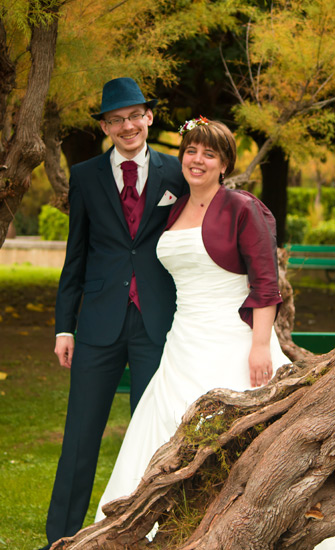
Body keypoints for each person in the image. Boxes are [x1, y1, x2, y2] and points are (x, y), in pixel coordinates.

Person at [95, 117, 290, 522]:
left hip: (234, 340)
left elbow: (266, 283)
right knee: (163, 428)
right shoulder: (175, 206)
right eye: (190, 151)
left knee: (225, 437)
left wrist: (259, 345)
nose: (197, 160)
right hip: (183, 340)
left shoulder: (241, 207)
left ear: (224, 164)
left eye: (209, 154)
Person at [38, 77, 188, 550]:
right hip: (98, 323)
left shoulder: (177, 172)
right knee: (80, 434)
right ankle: (59, 537)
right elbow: (75, 256)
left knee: (157, 435)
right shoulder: (84, 177)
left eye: (134, 115)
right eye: (115, 119)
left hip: (157, 321)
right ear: (105, 127)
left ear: (148, 117)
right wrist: (65, 326)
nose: (127, 126)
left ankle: (153, 533)